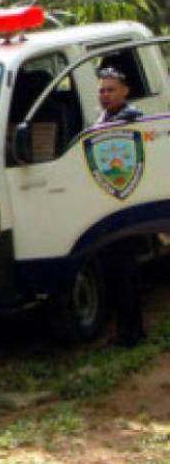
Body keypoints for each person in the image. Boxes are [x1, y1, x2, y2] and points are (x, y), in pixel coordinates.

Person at [92, 66, 147, 346]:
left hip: (128, 211)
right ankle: (126, 330)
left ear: (125, 91)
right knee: (115, 273)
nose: (105, 95)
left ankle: (131, 333)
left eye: (111, 89)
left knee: (125, 273)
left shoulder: (132, 121)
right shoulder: (103, 120)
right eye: (102, 90)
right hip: (108, 209)